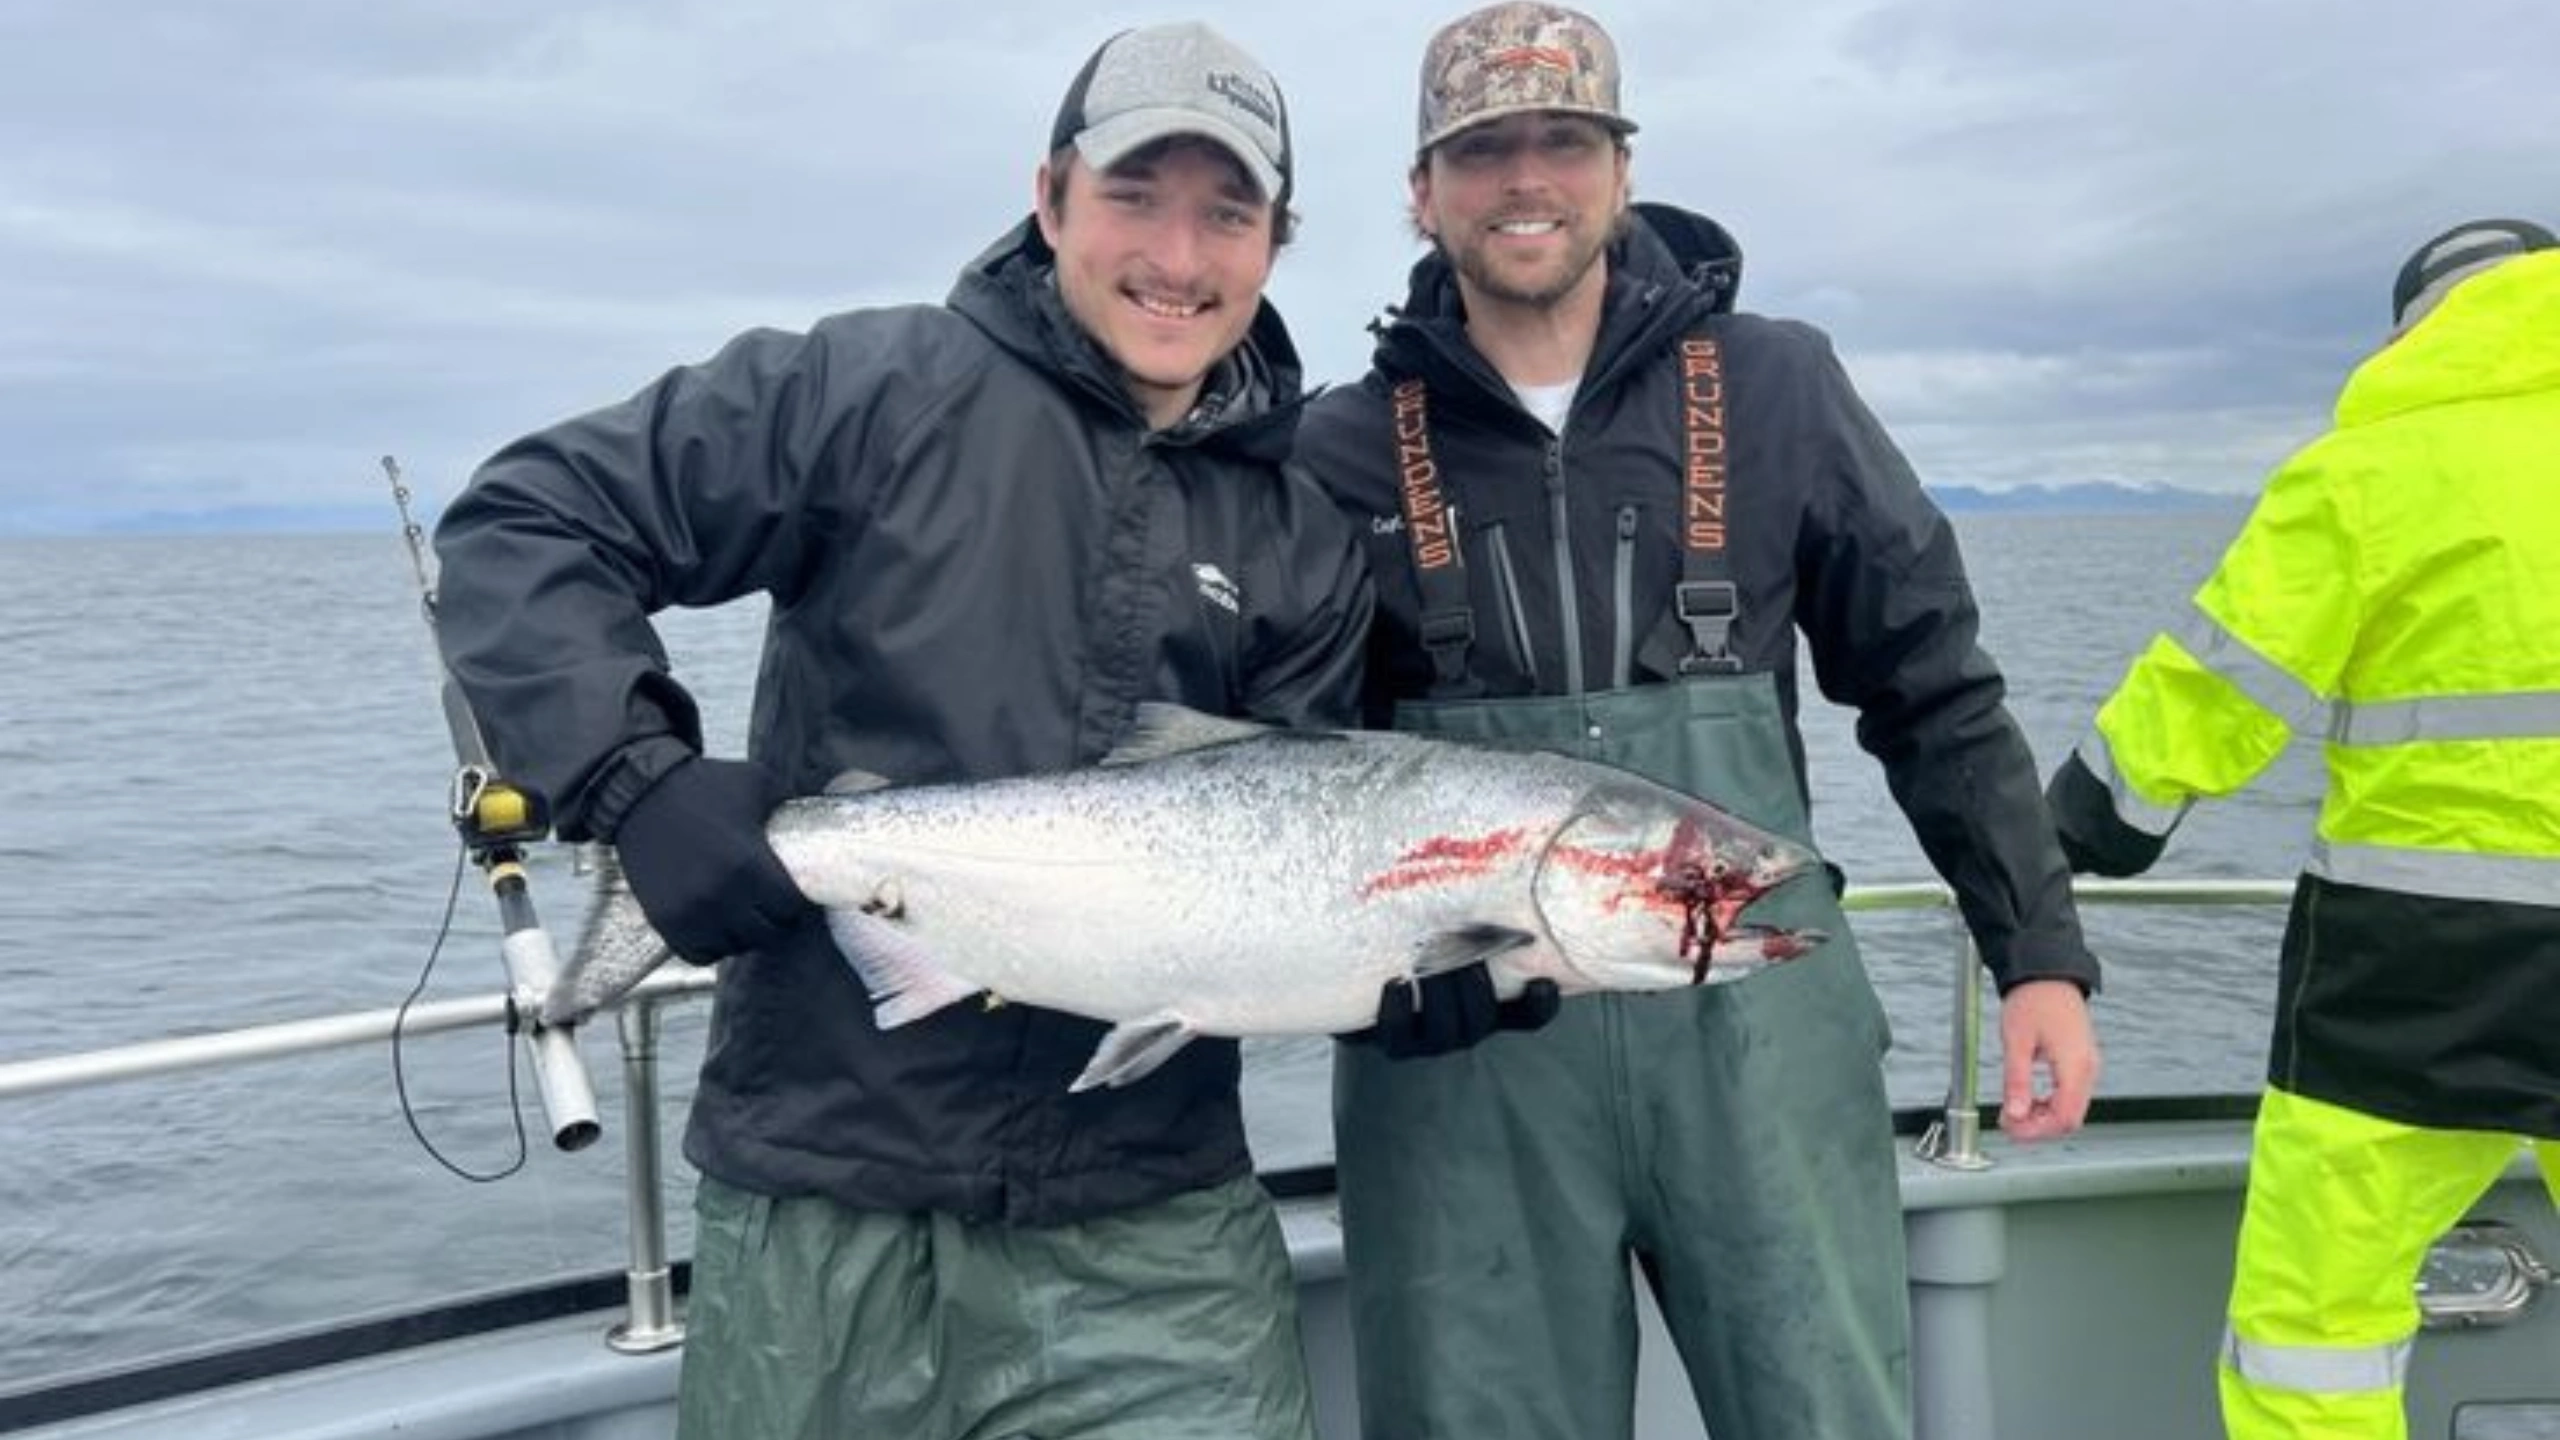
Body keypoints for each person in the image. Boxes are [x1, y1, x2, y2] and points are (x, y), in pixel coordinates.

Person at [431, 23, 1373, 1440]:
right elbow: (528, 522)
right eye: (1134, 196)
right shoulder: (871, 392)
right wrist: (635, 779)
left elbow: (1308, 834)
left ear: (1275, 242)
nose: (1178, 256)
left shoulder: (1303, 529)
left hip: (1152, 1222)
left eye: (1226, 213)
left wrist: (1416, 965)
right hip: (823, 1190)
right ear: (1051, 196)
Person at [1288, 5, 2103, 1437]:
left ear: (1618, 166)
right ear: (1424, 190)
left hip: (1755, 1039)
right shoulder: (1335, 446)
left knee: (1823, 1411)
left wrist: (2037, 952)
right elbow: (1287, 777)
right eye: (1482, 150)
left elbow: (1933, 684)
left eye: (1562, 141)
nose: (1524, 178)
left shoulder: (1781, 384)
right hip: (1468, 1070)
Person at [2046, 218, 2560, 1440]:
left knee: (2315, 1333)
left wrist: (2091, 827)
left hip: (2418, 975)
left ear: (2415, 330)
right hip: (2422, 967)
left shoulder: (2368, 471)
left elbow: (2216, 685)